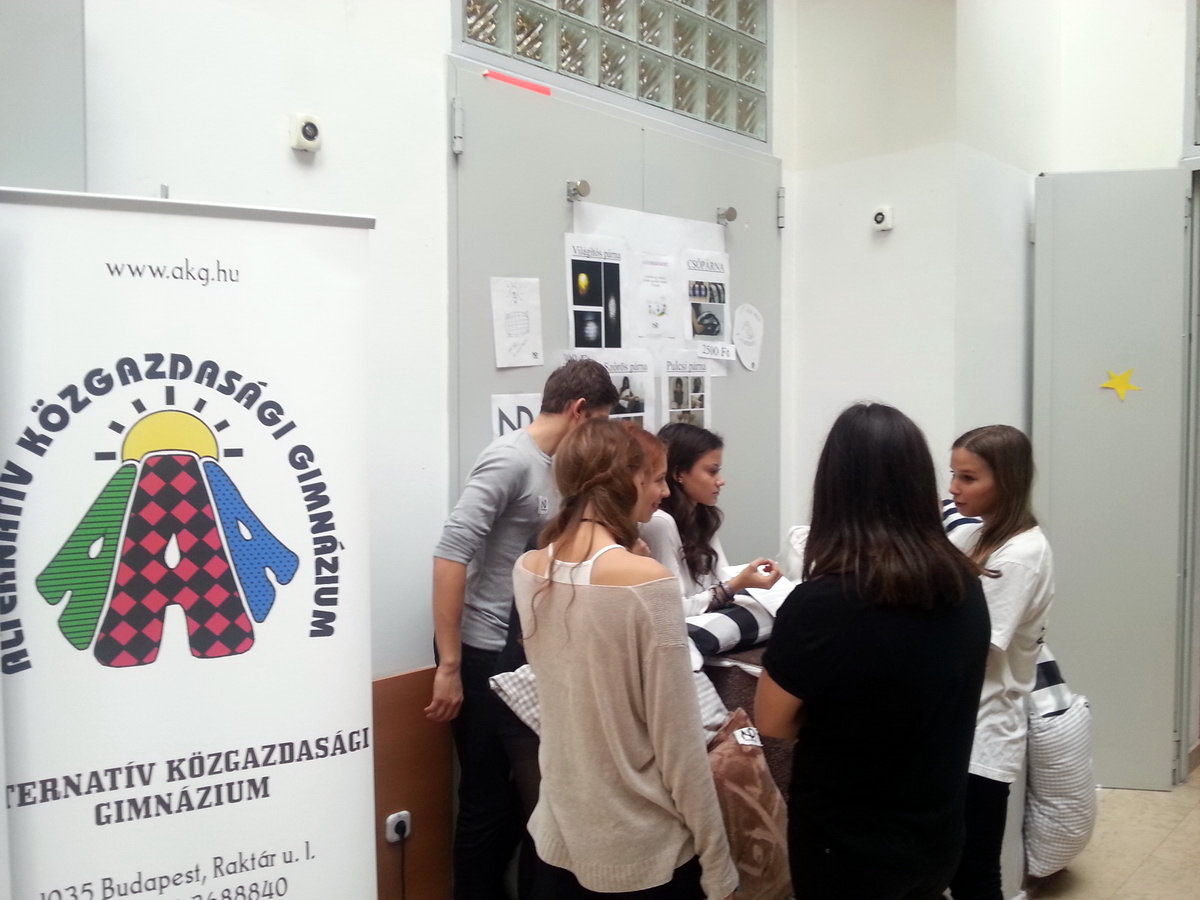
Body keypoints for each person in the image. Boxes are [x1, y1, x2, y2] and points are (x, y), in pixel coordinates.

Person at [755, 403, 990, 899]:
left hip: (845, 848)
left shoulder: (820, 605)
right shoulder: (964, 585)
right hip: (937, 834)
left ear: (833, 490)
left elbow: (773, 722)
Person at [513, 419, 737, 900]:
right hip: (642, 848)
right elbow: (679, 745)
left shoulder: (528, 569)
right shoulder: (646, 583)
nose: (664, 492)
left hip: (560, 831)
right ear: (625, 480)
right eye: (656, 479)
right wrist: (719, 867)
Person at [426, 358, 618, 900]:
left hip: (529, 648)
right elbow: (450, 555)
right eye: (601, 422)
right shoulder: (510, 459)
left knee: (533, 796)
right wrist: (449, 665)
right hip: (484, 649)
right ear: (579, 410)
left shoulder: (564, 467)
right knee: (486, 800)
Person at [947, 425, 1055, 900]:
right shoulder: (977, 535)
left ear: (1006, 481)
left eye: (968, 478)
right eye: (953, 474)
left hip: (985, 732)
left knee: (975, 872)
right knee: (952, 863)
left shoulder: (1021, 555)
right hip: (962, 725)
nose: (954, 489)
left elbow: (975, 644)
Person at [641, 423, 780, 615]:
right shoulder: (659, 522)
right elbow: (676, 609)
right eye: (712, 471)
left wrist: (742, 582)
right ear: (679, 474)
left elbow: (721, 579)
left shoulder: (702, 514)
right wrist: (737, 584)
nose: (721, 481)